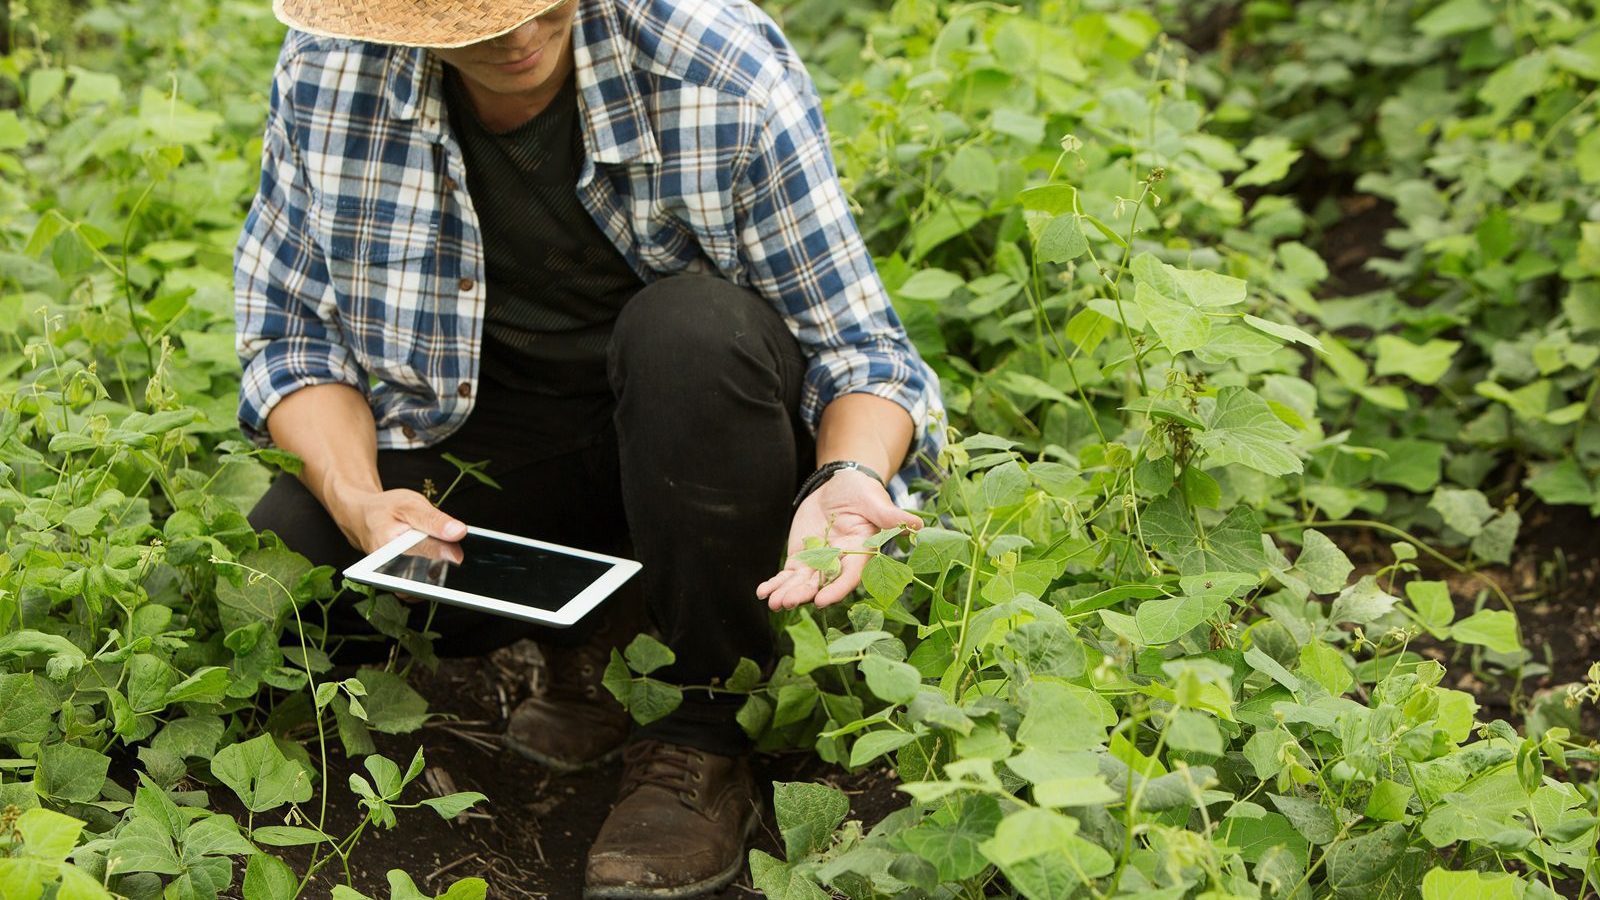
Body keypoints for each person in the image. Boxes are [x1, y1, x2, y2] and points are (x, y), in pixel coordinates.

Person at [234, 0, 943, 895]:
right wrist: (359, 499)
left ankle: (703, 728)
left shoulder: (714, 71)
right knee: (292, 553)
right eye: (473, 22)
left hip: (707, 441)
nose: (517, 34)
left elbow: (863, 353)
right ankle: (599, 637)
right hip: (510, 436)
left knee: (687, 332)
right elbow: (294, 338)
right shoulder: (332, 71)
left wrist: (847, 472)